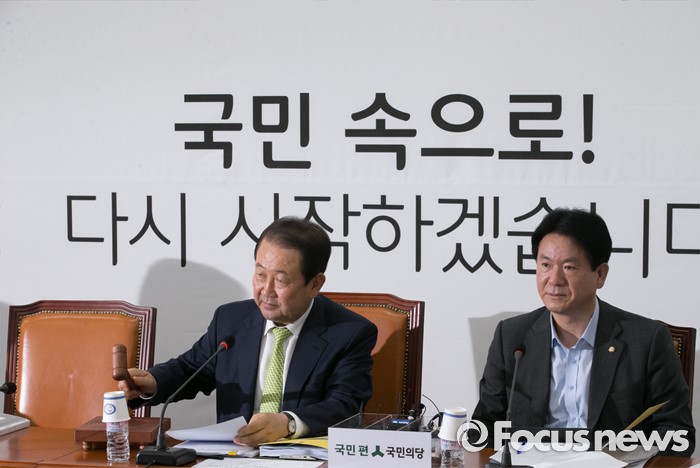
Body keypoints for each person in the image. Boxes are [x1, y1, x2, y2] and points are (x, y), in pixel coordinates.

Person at [119, 216, 378, 446]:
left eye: (281, 280)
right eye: (260, 275)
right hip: (232, 455)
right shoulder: (231, 320)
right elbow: (191, 369)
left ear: (314, 284)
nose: (266, 290)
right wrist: (152, 382)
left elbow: (346, 405)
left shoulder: (349, 333)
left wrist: (288, 423)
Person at [469, 208, 695, 456]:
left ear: (600, 275)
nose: (554, 279)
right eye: (545, 265)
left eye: (568, 267)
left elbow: (677, 435)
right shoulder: (512, 337)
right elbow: (485, 430)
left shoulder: (646, 340)